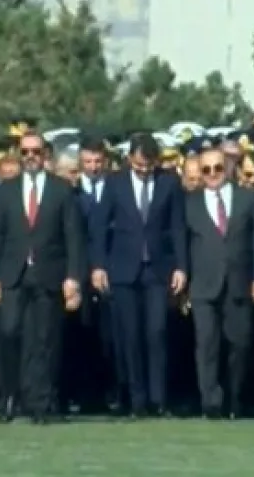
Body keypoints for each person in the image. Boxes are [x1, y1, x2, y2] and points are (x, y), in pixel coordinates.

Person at [0, 130, 84, 424]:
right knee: (9, 333)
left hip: (48, 274)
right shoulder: (6, 190)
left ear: (46, 156)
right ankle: (10, 396)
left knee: (42, 340)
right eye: (25, 152)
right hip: (12, 274)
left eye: (36, 152)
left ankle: (39, 402)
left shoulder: (61, 189)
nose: (30, 157)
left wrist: (73, 278)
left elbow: (73, 238)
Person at [91, 132, 187, 418]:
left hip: (157, 270)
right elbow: (99, 227)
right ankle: (137, 400)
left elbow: (177, 227)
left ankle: (159, 399)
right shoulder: (114, 183)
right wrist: (98, 265)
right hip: (123, 269)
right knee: (130, 336)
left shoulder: (169, 183)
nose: (144, 171)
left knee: (156, 333)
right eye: (139, 165)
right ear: (130, 160)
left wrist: (181, 266)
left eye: (148, 166)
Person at [183, 147, 254, 419]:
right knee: (207, 345)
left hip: (240, 283)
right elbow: (183, 244)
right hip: (204, 285)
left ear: (228, 168)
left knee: (240, 344)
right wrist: (183, 280)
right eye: (206, 170)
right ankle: (211, 402)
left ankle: (235, 399)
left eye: (218, 168)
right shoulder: (189, 202)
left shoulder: (248, 199)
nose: (213, 174)